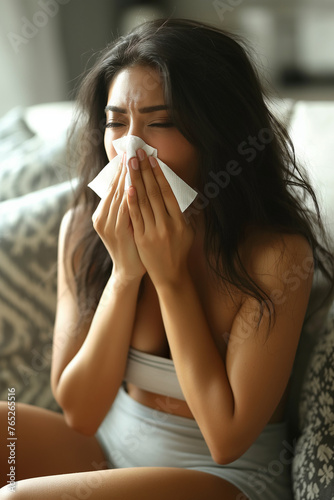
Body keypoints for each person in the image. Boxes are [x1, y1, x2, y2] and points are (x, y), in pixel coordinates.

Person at [0, 18, 333, 500]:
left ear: (217, 133)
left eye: (161, 123)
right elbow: (79, 412)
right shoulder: (85, 227)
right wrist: (125, 274)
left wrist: (170, 276)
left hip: (222, 479)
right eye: (117, 122)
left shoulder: (275, 254)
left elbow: (226, 440)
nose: (130, 148)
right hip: (106, 452)